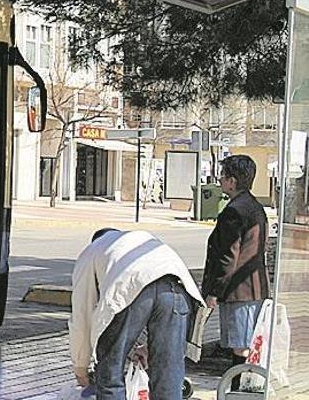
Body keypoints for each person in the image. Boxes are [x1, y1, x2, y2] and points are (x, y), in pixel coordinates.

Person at [70, 228, 204, 399]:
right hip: (177, 288)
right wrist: (149, 348)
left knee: (110, 372)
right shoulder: (138, 240)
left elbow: (82, 313)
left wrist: (81, 367)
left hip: (130, 284)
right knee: (167, 374)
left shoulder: (91, 251)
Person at [201, 154, 270, 389]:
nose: (219, 180)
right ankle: (240, 388)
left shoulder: (234, 211)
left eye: (222, 176)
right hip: (254, 288)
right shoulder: (255, 207)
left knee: (240, 345)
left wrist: (214, 292)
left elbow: (228, 255)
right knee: (246, 342)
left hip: (238, 291)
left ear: (231, 181)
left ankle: (236, 390)